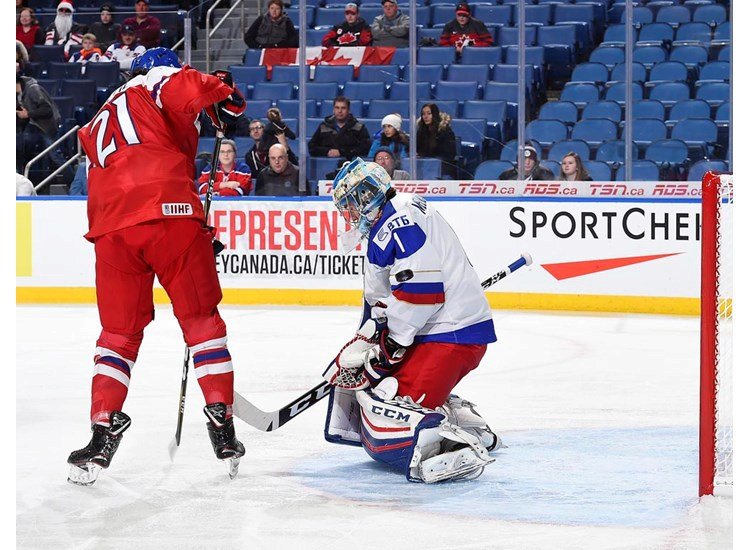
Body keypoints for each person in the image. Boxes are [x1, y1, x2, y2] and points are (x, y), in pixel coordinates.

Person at [67, 48, 247, 486]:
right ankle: (220, 418)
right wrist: (222, 89)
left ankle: (102, 427)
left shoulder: (98, 118)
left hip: (110, 229)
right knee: (201, 321)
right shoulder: (155, 81)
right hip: (167, 212)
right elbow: (185, 86)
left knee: (117, 335)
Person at [323, 158, 499, 483]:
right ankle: (456, 420)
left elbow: (422, 294)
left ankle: (444, 446)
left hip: (451, 335)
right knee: (378, 391)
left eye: (349, 206)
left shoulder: (395, 222)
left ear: (365, 200)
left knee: (382, 414)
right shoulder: (396, 213)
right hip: (447, 330)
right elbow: (383, 301)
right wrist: (370, 340)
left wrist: (389, 348)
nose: (347, 215)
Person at [16, 74, 71, 180]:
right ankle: (25, 179)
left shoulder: (33, 90)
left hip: (47, 126)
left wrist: (28, 114)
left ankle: (73, 179)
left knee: (54, 155)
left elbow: (47, 109)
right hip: (34, 125)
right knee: (21, 148)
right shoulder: (19, 93)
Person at [309, 96, 372, 160]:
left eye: (343, 108)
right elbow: (312, 147)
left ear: (348, 110)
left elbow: (365, 148)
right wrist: (327, 151)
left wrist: (342, 152)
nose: (340, 111)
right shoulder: (323, 126)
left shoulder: (359, 128)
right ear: (333, 110)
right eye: (337, 108)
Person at [416, 103, 457, 179]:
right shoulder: (421, 131)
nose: (425, 116)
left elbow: (449, 155)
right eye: (423, 114)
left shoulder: (445, 131)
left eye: (429, 113)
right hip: (424, 167)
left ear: (434, 114)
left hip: (442, 169)